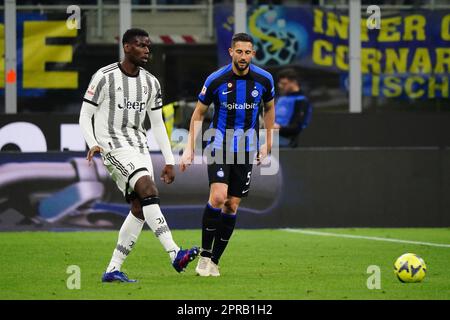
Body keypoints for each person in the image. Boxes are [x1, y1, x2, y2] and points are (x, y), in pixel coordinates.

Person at [79, 28, 198, 283]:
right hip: (112, 145)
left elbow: (156, 124)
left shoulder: (151, 82)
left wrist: (168, 160)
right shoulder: (104, 77)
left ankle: (112, 269)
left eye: (148, 46)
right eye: (141, 45)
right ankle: (175, 253)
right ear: (126, 47)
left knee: (140, 207)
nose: (146, 50)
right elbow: (85, 115)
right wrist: (93, 143)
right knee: (147, 189)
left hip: (139, 146)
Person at [179, 33, 275, 277]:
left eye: (248, 52)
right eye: (239, 52)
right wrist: (190, 147)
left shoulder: (264, 80)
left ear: (253, 54)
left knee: (232, 206)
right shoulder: (216, 79)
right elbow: (198, 114)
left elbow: (269, 108)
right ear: (231, 52)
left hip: (246, 150)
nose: (243, 57)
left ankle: (215, 260)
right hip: (219, 146)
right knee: (219, 197)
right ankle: (203, 254)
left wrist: (268, 143)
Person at [274, 68, 312, 148]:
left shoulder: (301, 101)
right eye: (280, 83)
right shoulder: (280, 99)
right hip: (271, 136)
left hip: (287, 140)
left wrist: (278, 127)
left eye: (284, 84)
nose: (280, 86)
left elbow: (296, 127)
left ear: (294, 82)